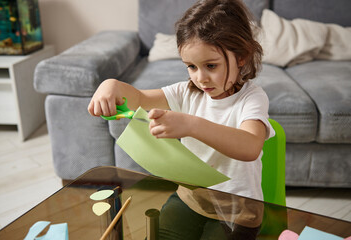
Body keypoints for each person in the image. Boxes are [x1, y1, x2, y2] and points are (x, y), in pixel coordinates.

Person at [88, 0, 274, 238]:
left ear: (242, 56)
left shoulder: (252, 99)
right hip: (191, 199)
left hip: (238, 212)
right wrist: (110, 85)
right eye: (191, 67)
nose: (201, 78)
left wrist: (190, 125)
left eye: (210, 65)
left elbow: (250, 146)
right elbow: (138, 98)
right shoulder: (185, 92)